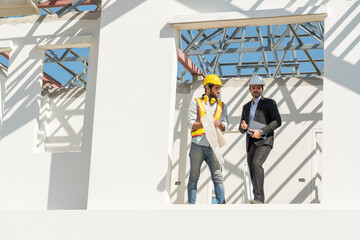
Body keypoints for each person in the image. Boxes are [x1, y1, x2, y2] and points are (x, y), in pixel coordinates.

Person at [239, 75, 281, 204]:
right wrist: (243, 127)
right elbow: (242, 127)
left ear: (262, 89)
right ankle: (256, 197)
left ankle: (259, 199)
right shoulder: (246, 107)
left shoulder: (269, 103)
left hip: (265, 141)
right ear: (249, 89)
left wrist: (261, 131)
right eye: (253, 87)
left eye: (258, 87)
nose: (255, 90)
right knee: (252, 168)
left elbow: (277, 121)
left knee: (257, 163)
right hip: (251, 142)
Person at [187, 74, 228, 204]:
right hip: (197, 145)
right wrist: (204, 123)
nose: (218, 91)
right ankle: (191, 205)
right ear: (207, 88)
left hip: (213, 146)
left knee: (218, 177)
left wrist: (220, 125)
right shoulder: (196, 103)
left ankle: (222, 205)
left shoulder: (222, 106)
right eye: (216, 88)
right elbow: (190, 123)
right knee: (194, 177)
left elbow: (226, 124)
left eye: (219, 88)